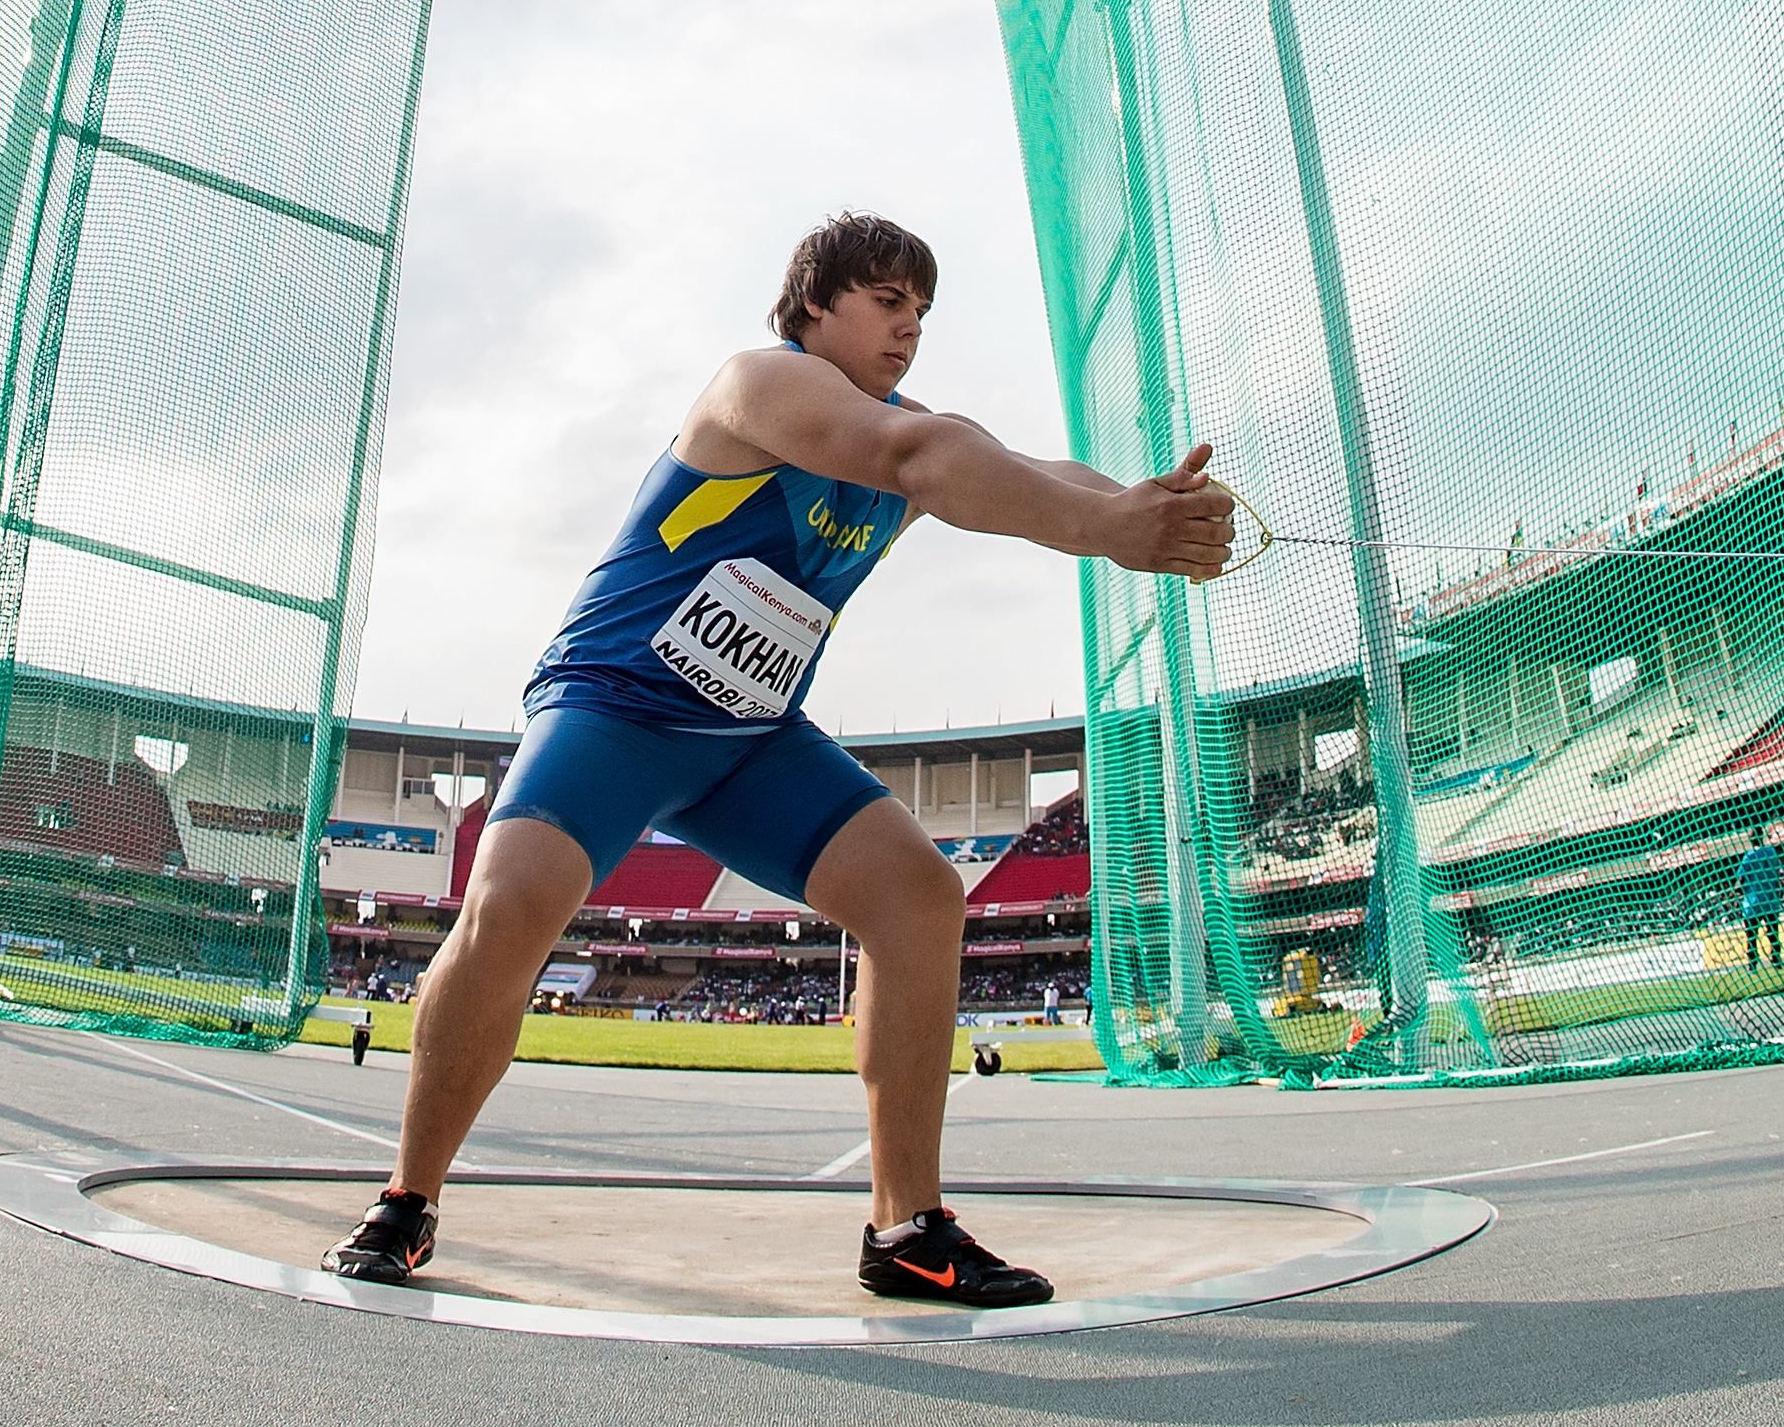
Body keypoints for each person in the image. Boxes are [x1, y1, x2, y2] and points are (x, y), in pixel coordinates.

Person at [324, 214, 1233, 1306]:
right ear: (815, 304)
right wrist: (1110, 532)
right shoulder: (758, 384)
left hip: (749, 736)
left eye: (922, 314)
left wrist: (1150, 506)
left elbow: (1031, 465)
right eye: (888, 301)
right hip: (614, 704)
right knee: (511, 905)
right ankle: (406, 1200)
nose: (909, 329)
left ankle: (907, 1226)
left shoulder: (919, 432)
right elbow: (927, 456)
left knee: (919, 896)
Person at [1736, 828, 1783, 969]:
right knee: (1773, 933)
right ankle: (1776, 959)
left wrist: (1737, 891)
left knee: (1751, 936)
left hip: (1752, 902)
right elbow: (1778, 874)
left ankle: (1752, 963)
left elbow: (1741, 878)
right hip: (1770, 900)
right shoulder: (1771, 852)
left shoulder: (1749, 856)